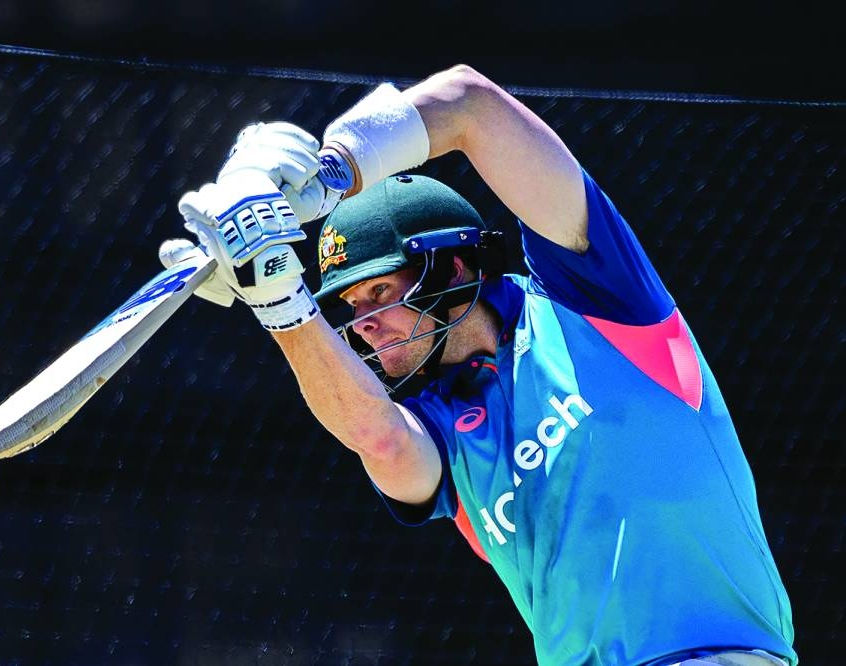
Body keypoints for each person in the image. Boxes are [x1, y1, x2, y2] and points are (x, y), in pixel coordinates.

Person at [166, 64, 798, 666]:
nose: (362, 324)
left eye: (379, 292)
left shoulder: (596, 297)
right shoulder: (435, 426)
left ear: (452, 268)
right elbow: (379, 440)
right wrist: (276, 297)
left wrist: (335, 172)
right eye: (348, 309)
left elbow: (471, 105)